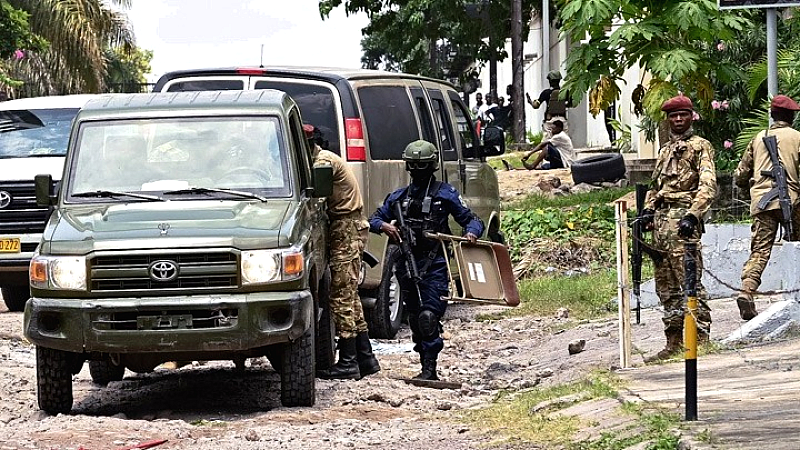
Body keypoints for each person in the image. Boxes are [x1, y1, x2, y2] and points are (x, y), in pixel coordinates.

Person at [369, 140, 484, 380]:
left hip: (434, 265)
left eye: (421, 166)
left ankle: (430, 370)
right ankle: (424, 363)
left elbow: (472, 220)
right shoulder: (399, 198)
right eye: (414, 166)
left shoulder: (446, 194)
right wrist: (386, 227)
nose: (418, 171)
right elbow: (373, 219)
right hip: (407, 265)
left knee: (428, 317)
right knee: (415, 317)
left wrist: (470, 233)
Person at [640, 95, 717, 363]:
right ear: (668, 120)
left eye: (683, 115)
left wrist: (693, 215)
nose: (678, 120)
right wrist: (648, 209)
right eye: (674, 116)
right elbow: (654, 186)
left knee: (690, 281)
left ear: (691, 116)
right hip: (661, 224)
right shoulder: (664, 151)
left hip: (684, 223)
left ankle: (701, 339)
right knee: (666, 285)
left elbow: (708, 185)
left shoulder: (700, 147)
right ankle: (673, 341)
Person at [306, 124, 380, 380]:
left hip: (346, 226)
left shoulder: (322, 162)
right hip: (345, 225)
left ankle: (349, 361)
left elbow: (314, 198)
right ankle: (365, 357)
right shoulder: (319, 159)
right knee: (350, 294)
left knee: (341, 295)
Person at [733, 94, 800, 321]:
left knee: (760, 250)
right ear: (792, 116)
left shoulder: (758, 138)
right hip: (792, 201)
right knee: (797, 246)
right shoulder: (797, 137)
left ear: (772, 115)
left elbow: (741, 174)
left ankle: (747, 290)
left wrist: (750, 194)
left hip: (762, 202)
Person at [527, 70, 570, 137]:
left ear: (550, 80)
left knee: (547, 142)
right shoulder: (565, 92)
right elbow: (571, 104)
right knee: (564, 140)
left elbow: (536, 106)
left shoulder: (546, 93)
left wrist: (530, 102)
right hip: (562, 120)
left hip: (550, 121)